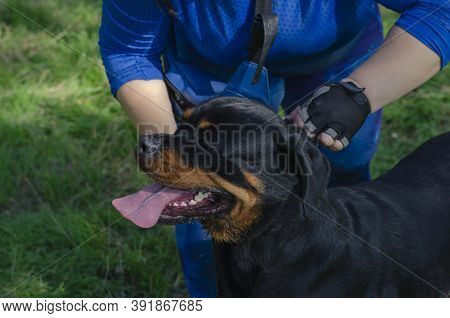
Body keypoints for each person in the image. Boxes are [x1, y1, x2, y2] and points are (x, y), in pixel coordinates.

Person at [99, 0, 449, 297]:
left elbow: (441, 7)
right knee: (206, 215)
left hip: (337, 54)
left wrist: (358, 94)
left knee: (343, 170)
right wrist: (173, 155)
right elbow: (129, 49)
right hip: (210, 64)